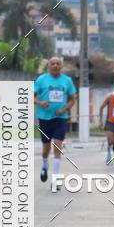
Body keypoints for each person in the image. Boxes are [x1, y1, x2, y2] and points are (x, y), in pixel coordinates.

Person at [34, 57, 77, 187]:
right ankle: (45, 164)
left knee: (58, 146)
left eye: (58, 64)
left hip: (60, 118)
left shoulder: (67, 80)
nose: (55, 65)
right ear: (49, 66)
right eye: (53, 64)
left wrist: (64, 109)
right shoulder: (41, 79)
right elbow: (32, 96)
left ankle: (55, 179)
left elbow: (72, 98)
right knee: (45, 149)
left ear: (61, 66)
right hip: (45, 118)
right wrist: (40, 103)